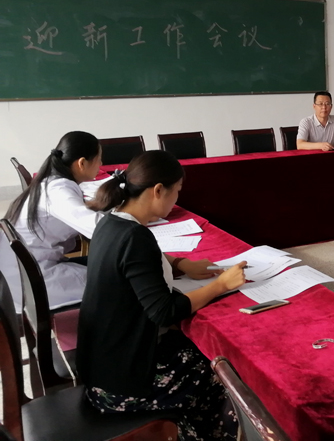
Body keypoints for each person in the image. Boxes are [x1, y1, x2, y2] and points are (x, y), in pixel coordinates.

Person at [77, 150, 246, 441]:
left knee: (195, 348)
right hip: (121, 386)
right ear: (158, 190)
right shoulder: (136, 237)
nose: (177, 198)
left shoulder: (111, 221)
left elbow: (137, 262)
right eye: (177, 191)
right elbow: (164, 311)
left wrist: (181, 264)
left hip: (101, 367)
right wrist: (221, 285)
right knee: (219, 370)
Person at [1, 131, 104, 312]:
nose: (101, 164)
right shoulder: (58, 190)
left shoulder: (51, 182)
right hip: (31, 280)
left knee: (114, 270)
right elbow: (99, 228)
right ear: (82, 163)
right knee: (118, 283)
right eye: (99, 159)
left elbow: (81, 213)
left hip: (25, 269)